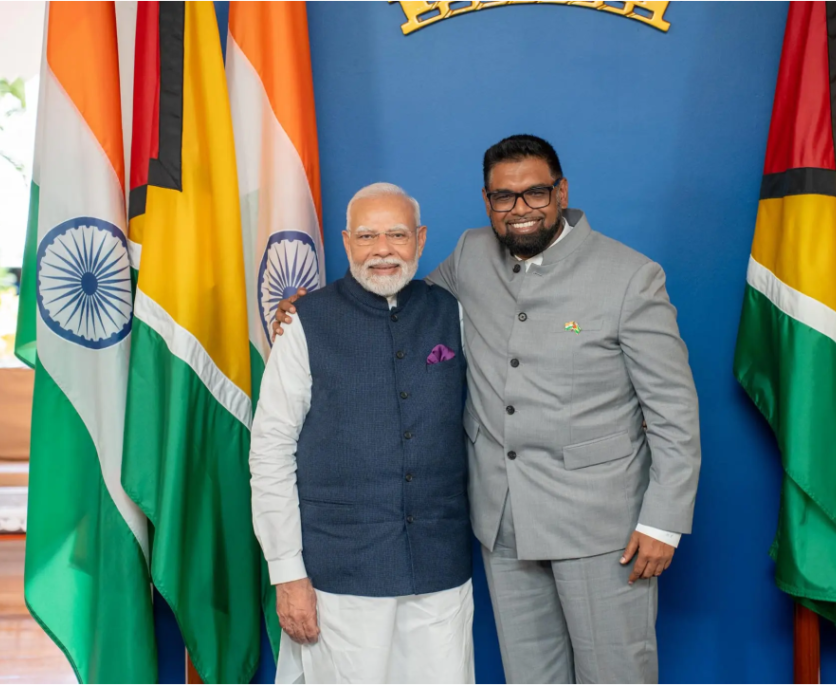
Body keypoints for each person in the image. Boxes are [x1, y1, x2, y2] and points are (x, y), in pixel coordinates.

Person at [274, 135, 701, 684]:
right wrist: (312, 310)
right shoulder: (473, 255)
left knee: (615, 674)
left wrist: (662, 521)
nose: (520, 209)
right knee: (529, 677)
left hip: (603, 529)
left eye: (535, 193)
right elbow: (398, 300)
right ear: (487, 202)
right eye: (504, 197)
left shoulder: (631, 277)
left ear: (561, 192)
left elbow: (673, 409)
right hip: (503, 525)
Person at [250, 182, 474, 684]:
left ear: (419, 239)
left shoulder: (452, 311)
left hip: (441, 568)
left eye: (396, 234)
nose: (382, 250)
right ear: (348, 242)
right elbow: (270, 451)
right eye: (368, 236)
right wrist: (287, 573)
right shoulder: (307, 321)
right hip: (341, 572)